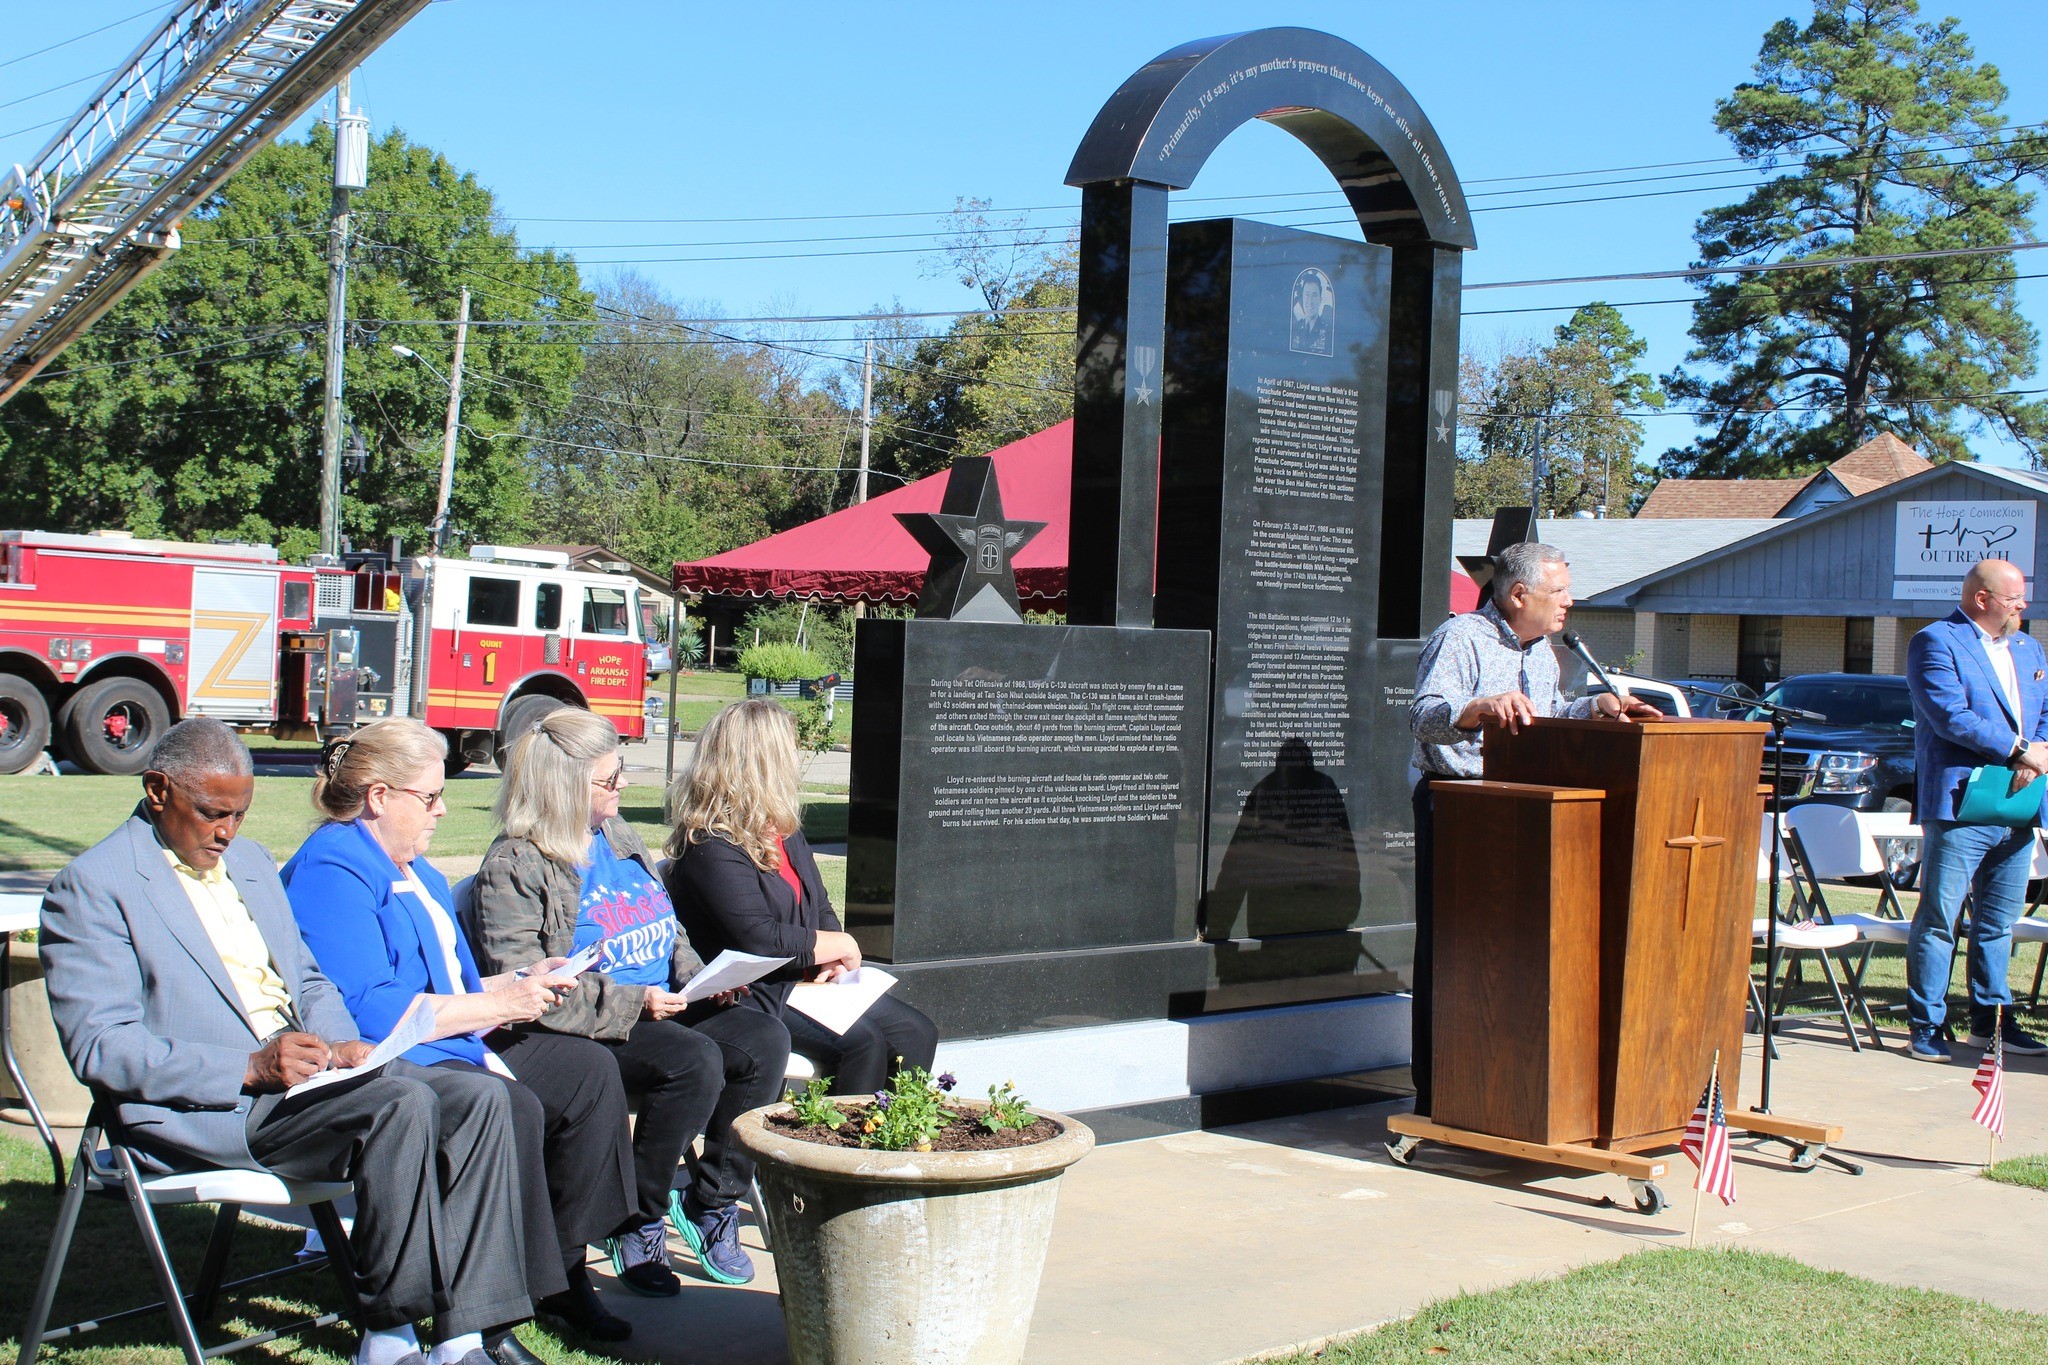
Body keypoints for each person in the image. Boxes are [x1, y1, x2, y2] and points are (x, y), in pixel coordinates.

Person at [38, 718, 541, 1365]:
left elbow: (304, 977)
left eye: (240, 814)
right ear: (158, 790)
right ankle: (389, 1338)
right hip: (217, 1103)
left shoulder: (246, 861)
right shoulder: (93, 886)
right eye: (212, 813)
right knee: (404, 1105)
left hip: (303, 1079)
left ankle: (464, 1337)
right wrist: (248, 1067)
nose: (226, 832)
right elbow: (101, 1047)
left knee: (482, 1101)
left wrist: (342, 1044)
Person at [281, 718, 636, 1341]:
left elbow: (456, 985)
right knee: (507, 1103)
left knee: (588, 1073)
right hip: (386, 1058)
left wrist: (521, 980)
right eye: (430, 797)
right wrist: (503, 1005)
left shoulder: (415, 868)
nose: (442, 811)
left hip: (450, 1041)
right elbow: (372, 1009)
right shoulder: (332, 869)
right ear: (379, 797)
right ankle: (486, 1321)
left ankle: (561, 1267)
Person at [470, 705, 789, 1292]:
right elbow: (520, 984)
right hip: (594, 1021)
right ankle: (636, 1218)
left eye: (620, 773)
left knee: (764, 1039)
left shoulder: (617, 835)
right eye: (609, 778)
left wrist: (701, 977)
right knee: (693, 1061)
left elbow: (667, 925)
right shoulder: (515, 863)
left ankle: (712, 1200)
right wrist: (635, 1002)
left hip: (664, 1001)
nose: (622, 786)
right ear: (564, 786)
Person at [1405, 542, 1659, 1115]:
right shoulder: (1462, 637)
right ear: (1519, 594)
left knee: (1511, 956)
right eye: (1559, 591)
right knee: (1454, 952)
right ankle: (1438, 1092)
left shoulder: (1543, 652)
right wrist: (1476, 708)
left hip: (1523, 813)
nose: (1570, 602)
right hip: (1461, 808)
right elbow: (1421, 715)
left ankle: (1498, 1090)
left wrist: (1593, 708)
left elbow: (1543, 717)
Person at [664, 698, 938, 1095]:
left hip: (805, 981)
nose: (798, 757)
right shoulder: (711, 845)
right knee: (863, 1045)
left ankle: (895, 1131)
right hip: (754, 992)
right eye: (791, 748)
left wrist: (832, 959)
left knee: (916, 1032)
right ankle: (835, 1136)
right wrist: (840, 944)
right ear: (764, 761)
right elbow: (759, 937)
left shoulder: (783, 831)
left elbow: (819, 906)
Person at [1902, 558, 2048, 1063]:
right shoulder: (1936, 641)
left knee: (1998, 923)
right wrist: (2019, 750)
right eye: (2013, 598)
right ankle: (1926, 1026)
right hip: (1959, 803)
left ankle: (1991, 1024)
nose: (2023, 605)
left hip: (2018, 802)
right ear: (1981, 599)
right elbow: (1950, 717)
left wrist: (2037, 752)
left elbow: (2044, 713)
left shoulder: (2028, 648)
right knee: (1940, 920)